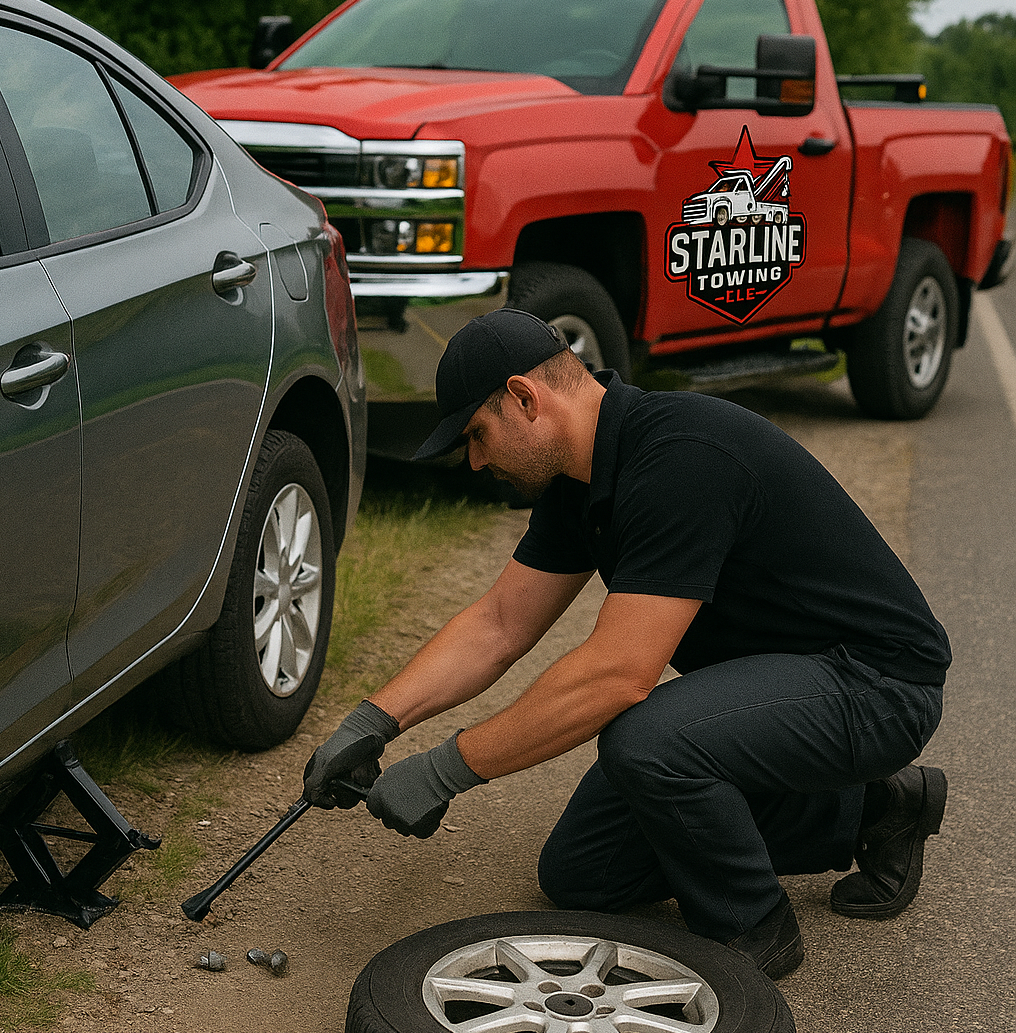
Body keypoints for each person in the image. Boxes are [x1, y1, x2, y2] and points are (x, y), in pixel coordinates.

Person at [303, 310, 950, 978]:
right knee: (583, 873)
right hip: (782, 685)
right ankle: (878, 806)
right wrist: (374, 719)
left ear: (526, 399)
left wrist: (445, 771)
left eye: (477, 433)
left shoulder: (680, 457)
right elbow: (499, 625)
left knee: (649, 742)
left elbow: (616, 676)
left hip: (876, 685)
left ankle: (753, 924)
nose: (475, 461)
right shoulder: (578, 481)